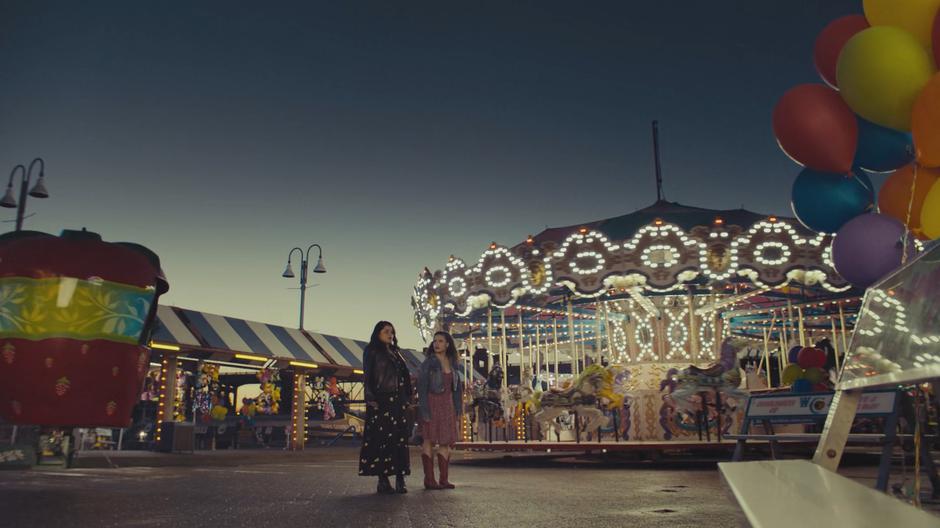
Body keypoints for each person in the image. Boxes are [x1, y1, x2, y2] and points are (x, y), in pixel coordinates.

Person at [358, 321, 412, 494]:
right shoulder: (372, 351)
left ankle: (400, 478)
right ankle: (383, 479)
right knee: (382, 440)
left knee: (400, 439)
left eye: (392, 332)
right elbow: (368, 374)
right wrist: (370, 397)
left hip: (398, 400)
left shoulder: (396, 353)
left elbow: (404, 376)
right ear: (378, 333)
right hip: (381, 400)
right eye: (386, 331)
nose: (390, 335)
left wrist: (407, 396)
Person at [416, 331, 463, 490]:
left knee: (445, 441)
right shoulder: (429, 363)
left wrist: (458, 409)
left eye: (441, 341)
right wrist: (424, 409)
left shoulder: (453, 363)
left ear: (447, 344)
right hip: (432, 402)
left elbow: (457, 389)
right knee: (429, 439)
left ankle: (444, 479)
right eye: (435, 341)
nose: (436, 344)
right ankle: (429, 479)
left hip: (448, 405)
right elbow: (421, 387)